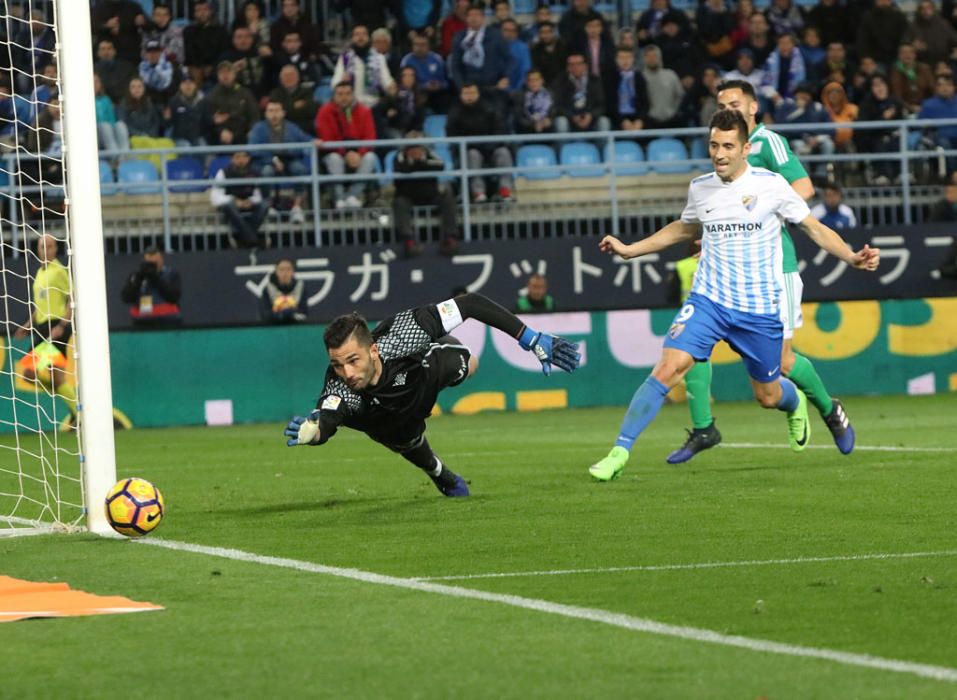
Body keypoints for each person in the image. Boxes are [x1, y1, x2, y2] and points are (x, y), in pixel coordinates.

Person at [588, 110, 880, 482]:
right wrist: (632, 249)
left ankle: (798, 403)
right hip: (708, 302)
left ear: (745, 148)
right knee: (669, 367)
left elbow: (814, 228)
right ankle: (619, 451)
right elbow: (684, 227)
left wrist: (852, 257)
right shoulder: (701, 187)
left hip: (758, 311)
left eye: (728, 146)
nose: (719, 153)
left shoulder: (772, 185)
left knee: (768, 396)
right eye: (714, 145)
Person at [663, 79, 859, 465]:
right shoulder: (724, 151)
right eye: (722, 104)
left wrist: (759, 207)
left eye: (735, 103)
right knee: (694, 345)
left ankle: (827, 407)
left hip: (774, 268)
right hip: (728, 266)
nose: (729, 110)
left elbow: (802, 188)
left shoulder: (767, 142)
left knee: (783, 363)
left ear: (753, 108)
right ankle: (704, 426)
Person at [283, 293, 581, 497]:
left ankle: (459, 367)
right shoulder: (341, 388)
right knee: (407, 443)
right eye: (337, 364)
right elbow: (328, 418)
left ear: (372, 349)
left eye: (353, 360)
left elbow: (471, 304)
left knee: (468, 364)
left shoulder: (404, 333)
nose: (346, 373)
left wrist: (530, 338)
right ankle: (441, 475)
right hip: (385, 418)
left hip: (427, 372)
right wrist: (315, 432)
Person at [14, 234, 78, 425]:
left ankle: (79, 413)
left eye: (49, 246)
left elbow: (71, 300)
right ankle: (77, 410)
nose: (45, 250)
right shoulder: (40, 273)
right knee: (55, 378)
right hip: (42, 327)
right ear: (37, 249)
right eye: (42, 247)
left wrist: (62, 325)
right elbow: (41, 305)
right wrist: (28, 324)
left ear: (56, 248)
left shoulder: (59, 271)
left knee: (29, 373)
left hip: (56, 326)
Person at [392, 132, 459, 257]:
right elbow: (399, 171)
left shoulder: (429, 154)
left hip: (430, 193)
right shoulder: (400, 156)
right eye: (412, 146)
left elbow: (440, 166)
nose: (416, 150)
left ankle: (451, 238)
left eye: (419, 146)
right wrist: (414, 162)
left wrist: (421, 162)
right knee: (399, 202)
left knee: (447, 195)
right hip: (408, 194)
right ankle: (408, 241)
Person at [446, 83, 514, 203]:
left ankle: (505, 191)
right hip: (468, 149)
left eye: (472, 93)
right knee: (473, 155)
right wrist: (475, 145)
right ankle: (478, 192)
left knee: (503, 152)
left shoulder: (490, 109)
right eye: (466, 93)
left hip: (491, 148)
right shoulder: (455, 113)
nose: (469, 96)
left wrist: (488, 145)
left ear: (478, 94)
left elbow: (500, 130)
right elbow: (452, 136)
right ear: (460, 95)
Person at [248, 100, 313, 224]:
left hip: (289, 160)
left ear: (283, 113)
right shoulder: (258, 128)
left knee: (300, 169)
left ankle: (297, 207)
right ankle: (269, 206)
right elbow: (253, 149)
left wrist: (314, 141)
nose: (274, 115)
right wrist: (272, 160)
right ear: (266, 114)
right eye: (271, 111)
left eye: (277, 111)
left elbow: (305, 138)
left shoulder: (291, 127)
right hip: (265, 162)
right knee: (266, 172)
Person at [315, 81, 378, 209]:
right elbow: (326, 138)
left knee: (371, 157)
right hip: (334, 152)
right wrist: (345, 153)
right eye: (340, 94)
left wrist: (359, 154)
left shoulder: (364, 111)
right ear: (334, 95)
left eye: (348, 94)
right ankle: (339, 199)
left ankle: (352, 196)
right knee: (334, 159)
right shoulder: (324, 111)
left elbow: (370, 137)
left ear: (353, 95)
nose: (344, 97)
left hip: (358, 153)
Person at [210, 150, 269, 249]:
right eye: (237, 157)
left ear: (248, 159)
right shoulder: (223, 173)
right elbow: (215, 197)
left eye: (244, 157)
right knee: (229, 205)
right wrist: (234, 200)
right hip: (231, 206)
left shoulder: (254, 172)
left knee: (264, 205)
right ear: (232, 159)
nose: (241, 160)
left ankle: (243, 239)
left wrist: (250, 201)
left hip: (248, 204)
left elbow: (258, 195)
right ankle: (252, 239)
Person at [119, 246, 182, 328]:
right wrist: (138, 279)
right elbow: (126, 298)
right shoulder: (136, 276)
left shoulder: (171, 274)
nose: (152, 266)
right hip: (142, 321)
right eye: (149, 263)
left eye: (155, 262)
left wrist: (155, 278)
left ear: (161, 260)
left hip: (168, 320)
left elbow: (173, 297)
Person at [553, 53, 611, 134]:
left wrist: (591, 115)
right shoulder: (560, 81)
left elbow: (601, 105)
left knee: (604, 122)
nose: (575, 67)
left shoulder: (595, 80)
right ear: (567, 67)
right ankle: (562, 147)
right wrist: (572, 116)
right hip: (570, 120)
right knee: (561, 122)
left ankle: (603, 147)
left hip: (591, 120)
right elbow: (558, 106)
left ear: (585, 65)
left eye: (578, 64)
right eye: (572, 64)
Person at [206, 61, 260, 146]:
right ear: (218, 76)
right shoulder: (212, 96)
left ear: (234, 74)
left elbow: (254, 114)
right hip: (222, 137)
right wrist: (221, 131)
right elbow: (209, 120)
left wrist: (252, 129)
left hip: (244, 134)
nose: (225, 75)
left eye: (228, 72)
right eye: (222, 73)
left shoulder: (245, 93)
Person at [183, 0, 229, 86]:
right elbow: (189, 52)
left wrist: (212, 66)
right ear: (194, 13)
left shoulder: (221, 31)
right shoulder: (188, 31)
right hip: (195, 67)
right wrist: (199, 67)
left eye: (205, 9)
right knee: (193, 71)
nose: (202, 13)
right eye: (199, 10)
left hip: (215, 65)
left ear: (211, 11)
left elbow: (223, 51)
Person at [260, 259, 306, 324]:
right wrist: (280, 314)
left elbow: (304, 313)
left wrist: (291, 313)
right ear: (276, 271)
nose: (285, 273)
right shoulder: (268, 289)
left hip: (295, 326)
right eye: (281, 269)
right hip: (274, 326)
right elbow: (265, 314)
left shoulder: (300, 287)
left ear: (293, 271)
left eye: (288, 269)